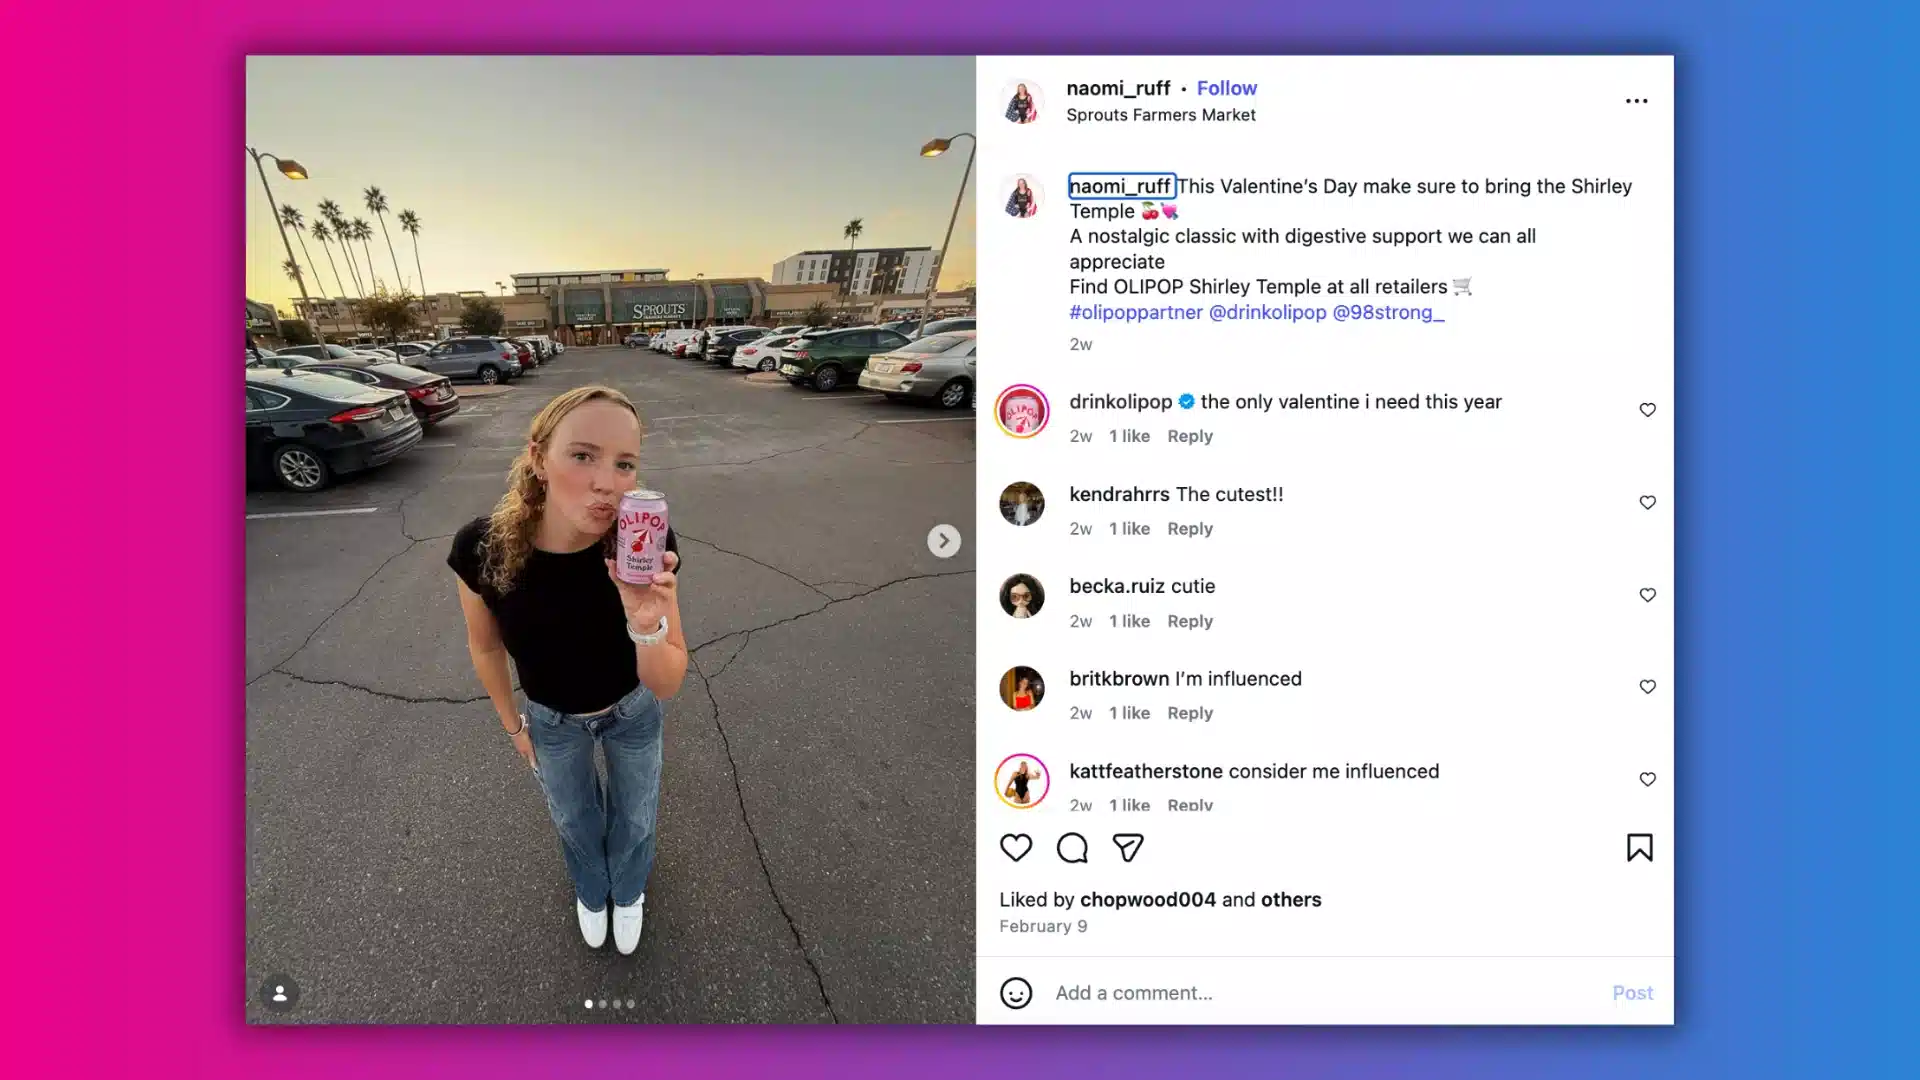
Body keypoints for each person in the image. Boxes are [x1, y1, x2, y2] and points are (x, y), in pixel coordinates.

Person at [446, 385, 688, 956]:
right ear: (538, 459)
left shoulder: (643, 548)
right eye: (583, 455)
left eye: (624, 463)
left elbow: (668, 680)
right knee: (576, 821)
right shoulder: (483, 547)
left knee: (635, 816)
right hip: (552, 719)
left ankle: (627, 891)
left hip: (633, 710)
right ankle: (591, 889)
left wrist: (645, 619)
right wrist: (513, 725)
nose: (608, 480)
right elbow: (485, 648)